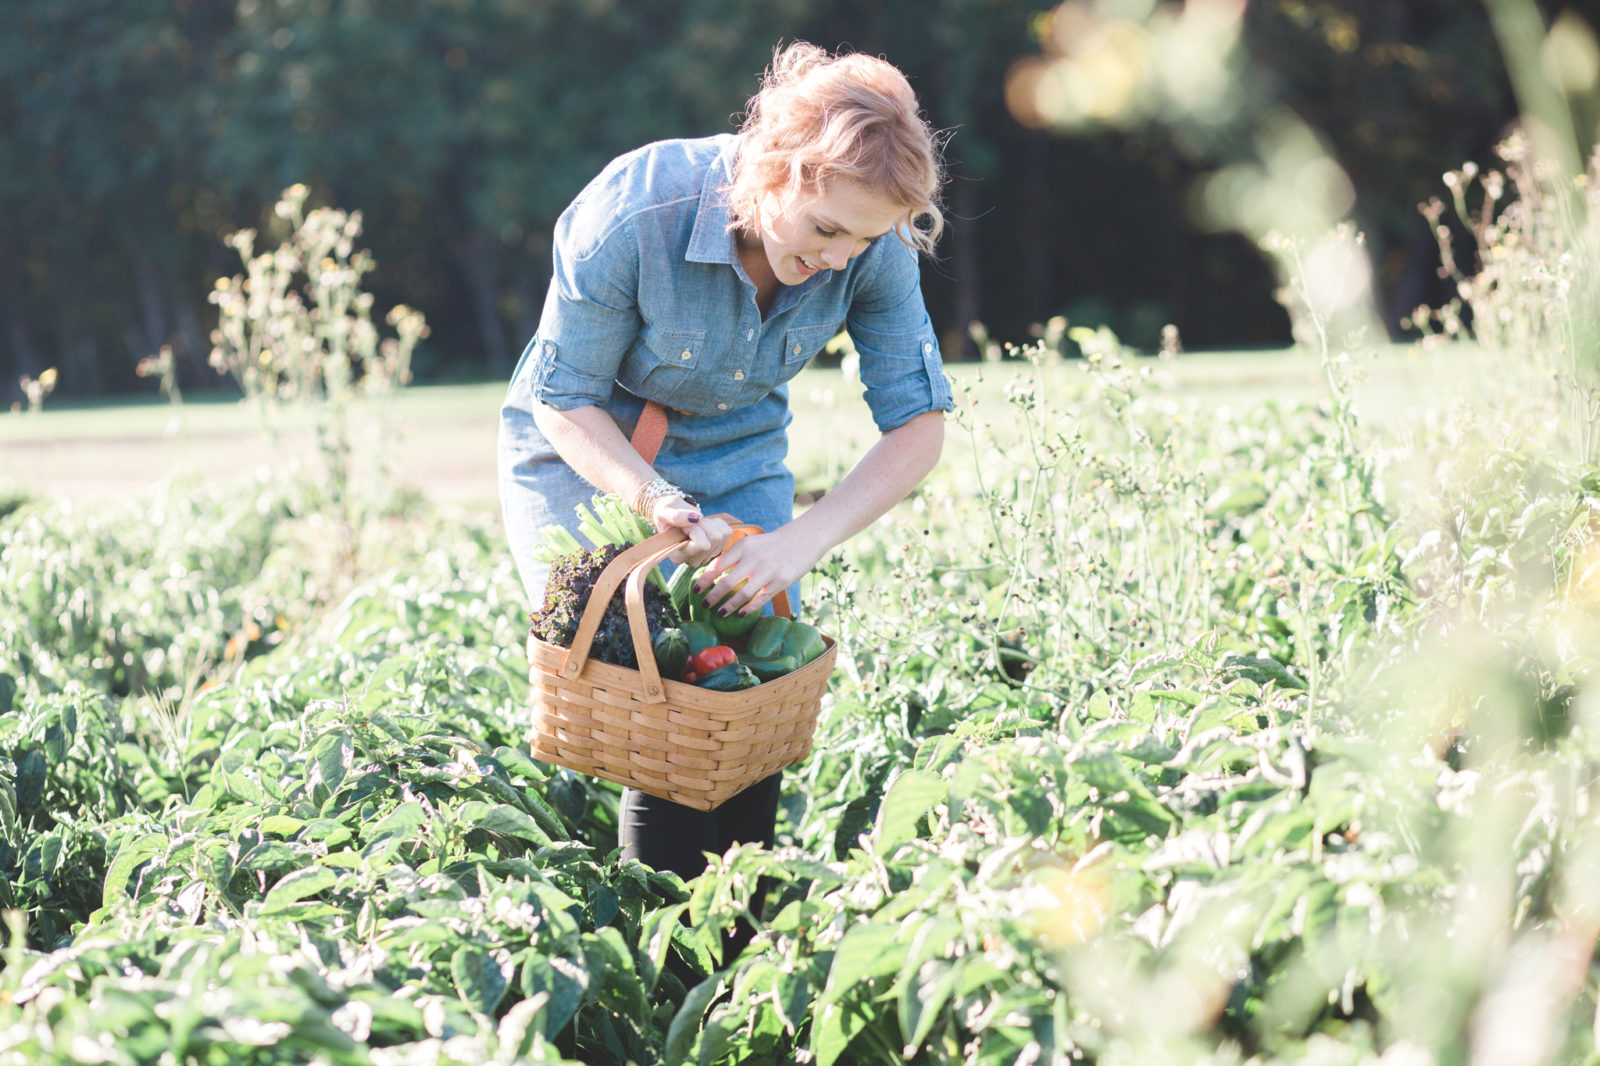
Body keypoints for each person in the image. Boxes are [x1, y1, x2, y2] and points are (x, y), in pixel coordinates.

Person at [498, 41, 952, 883]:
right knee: (652, 672)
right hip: (591, 441)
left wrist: (798, 542)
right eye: (824, 229)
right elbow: (563, 398)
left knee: (750, 681)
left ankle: (737, 926)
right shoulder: (635, 212)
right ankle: (665, 938)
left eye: (863, 239)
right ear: (776, 170)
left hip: (736, 444)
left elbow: (919, 426)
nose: (837, 259)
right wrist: (650, 497)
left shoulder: (869, 248)